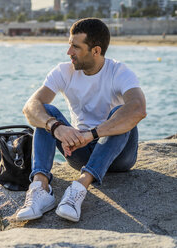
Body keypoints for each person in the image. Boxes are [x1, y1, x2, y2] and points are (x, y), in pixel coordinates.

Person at [16, 18, 147, 222]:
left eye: (75, 47)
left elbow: (138, 109)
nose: (69, 52)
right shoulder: (64, 71)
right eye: (69, 45)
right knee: (46, 110)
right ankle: (41, 189)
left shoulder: (119, 72)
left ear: (95, 51)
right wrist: (56, 127)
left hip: (119, 156)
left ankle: (78, 188)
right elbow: (30, 107)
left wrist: (92, 134)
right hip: (79, 152)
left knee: (123, 112)